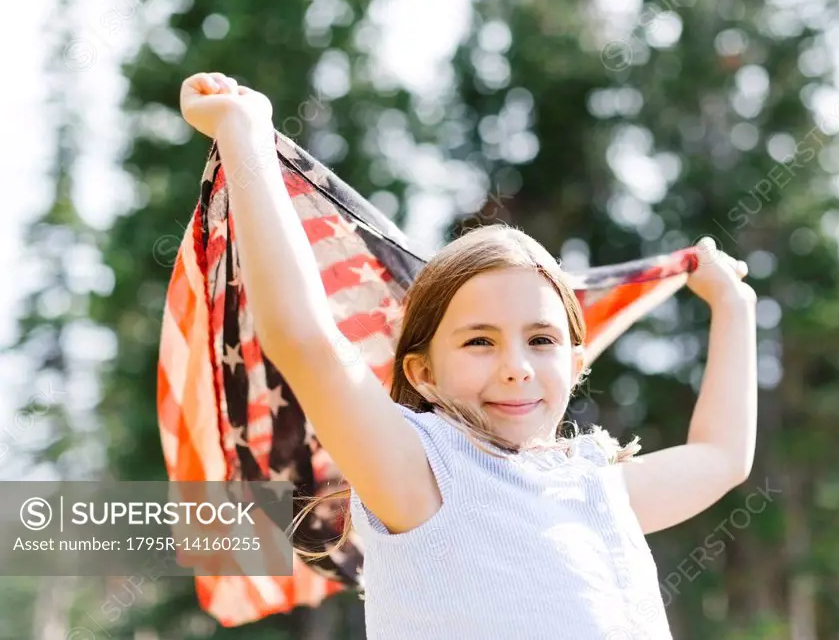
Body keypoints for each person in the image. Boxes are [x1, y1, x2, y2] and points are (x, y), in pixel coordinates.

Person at [179, 71, 758, 639]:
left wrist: (734, 306)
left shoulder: (597, 486)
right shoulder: (422, 474)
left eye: (542, 340)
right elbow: (303, 340)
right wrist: (244, 134)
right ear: (422, 373)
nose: (516, 365)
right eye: (479, 340)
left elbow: (722, 456)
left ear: (576, 365)